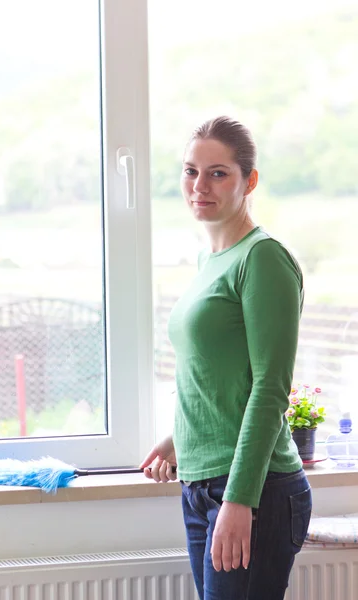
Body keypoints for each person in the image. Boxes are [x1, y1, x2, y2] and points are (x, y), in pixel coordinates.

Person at [140, 116, 312, 600]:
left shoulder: (263, 259)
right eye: (191, 171)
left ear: (249, 181)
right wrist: (177, 440)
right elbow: (217, 376)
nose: (199, 186)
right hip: (201, 485)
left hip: (255, 490)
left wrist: (240, 499)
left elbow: (270, 388)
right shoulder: (209, 260)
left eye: (218, 173)